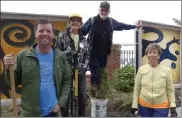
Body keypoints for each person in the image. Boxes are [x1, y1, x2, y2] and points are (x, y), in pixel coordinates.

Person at [3, 19, 71, 117]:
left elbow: (67, 80)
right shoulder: (23, 56)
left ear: (53, 35)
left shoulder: (60, 57)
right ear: (35, 34)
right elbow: (12, 83)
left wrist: (60, 103)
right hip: (29, 114)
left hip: (52, 112)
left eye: (48, 31)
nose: (45, 33)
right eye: (41, 31)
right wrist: (8, 69)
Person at [81, 1, 141, 89]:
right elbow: (83, 31)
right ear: (99, 10)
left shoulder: (111, 22)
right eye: (102, 10)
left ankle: (100, 93)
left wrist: (134, 26)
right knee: (95, 75)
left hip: (104, 55)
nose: (104, 12)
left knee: (101, 75)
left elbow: (122, 26)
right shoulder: (92, 20)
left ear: (109, 12)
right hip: (92, 54)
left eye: (106, 10)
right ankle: (94, 93)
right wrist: (76, 28)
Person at [55, 13, 89, 117]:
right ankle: (65, 115)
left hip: (80, 71)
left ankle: (81, 115)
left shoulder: (83, 39)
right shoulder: (62, 36)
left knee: (82, 95)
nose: (75, 23)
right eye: (72, 20)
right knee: (66, 95)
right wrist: (68, 51)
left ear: (81, 24)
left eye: (78, 21)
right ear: (69, 23)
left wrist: (84, 67)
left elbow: (87, 55)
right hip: (66, 70)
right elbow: (57, 53)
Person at [131, 43, 178, 117]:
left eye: (154, 52)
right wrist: (134, 105)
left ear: (159, 56)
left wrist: (173, 106)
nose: (152, 54)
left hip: (161, 107)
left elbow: (170, 89)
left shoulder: (166, 71)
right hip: (144, 106)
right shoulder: (141, 70)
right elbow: (137, 88)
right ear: (147, 55)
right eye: (149, 52)